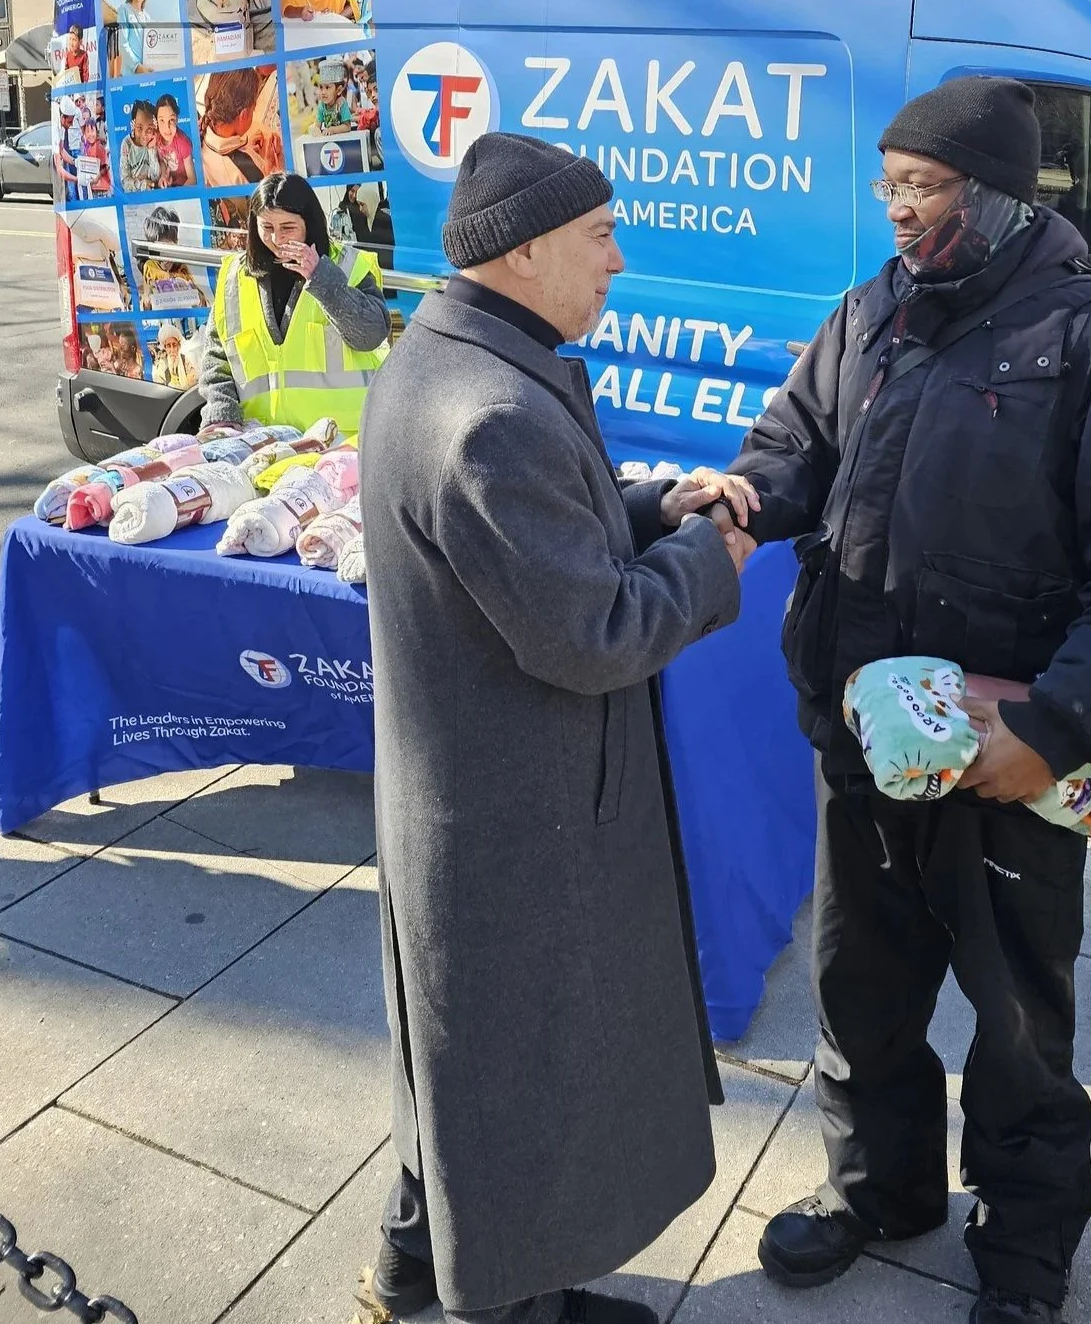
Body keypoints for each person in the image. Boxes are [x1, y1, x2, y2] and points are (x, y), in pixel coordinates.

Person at [687, 78, 1091, 1324]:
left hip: (1007, 770)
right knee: (859, 993)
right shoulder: (871, 311)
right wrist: (744, 498)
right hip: (865, 746)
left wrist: (1049, 734)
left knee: (1019, 1028)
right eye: (888, 190)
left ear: (987, 197)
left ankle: (1027, 1254)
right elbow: (794, 444)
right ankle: (883, 1192)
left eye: (917, 190)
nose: (896, 216)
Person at [359, 133, 756, 1324]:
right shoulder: (490, 411)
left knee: (456, 1068)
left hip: (469, 796)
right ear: (526, 251)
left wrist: (645, 507)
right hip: (515, 817)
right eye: (599, 237)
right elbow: (590, 635)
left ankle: (408, 1269)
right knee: (517, 1079)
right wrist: (708, 555)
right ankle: (512, 1307)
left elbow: (526, 547)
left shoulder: (449, 359)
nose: (619, 261)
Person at [199, 171, 390, 434]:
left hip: (338, 445)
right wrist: (222, 413)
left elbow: (371, 334)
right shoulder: (234, 277)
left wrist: (322, 278)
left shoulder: (347, 265)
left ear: (309, 224)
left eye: (288, 228)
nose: (277, 240)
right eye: (266, 228)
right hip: (265, 444)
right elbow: (217, 357)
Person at [153, 92, 197, 189]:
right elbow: (162, 160)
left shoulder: (183, 143)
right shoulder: (156, 138)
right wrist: (163, 176)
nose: (167, 127)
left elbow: (192, 179)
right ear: (156, 120)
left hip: (183, 186)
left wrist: (178, 195)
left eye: (171, 120)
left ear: (177, 119)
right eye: (162, 120)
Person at [119, 101, 162, 193]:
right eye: (139, 128)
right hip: (133, 199)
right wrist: (143, 184)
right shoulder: (127, 144)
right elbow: (124, 182)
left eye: (149, 129)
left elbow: (155, 177)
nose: (144, 135)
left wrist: (151, 149)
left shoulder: (151, 142)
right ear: (133, 126)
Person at [116, 0, 153, 76]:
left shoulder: (147, 18)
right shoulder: (124, 9)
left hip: (145, 77)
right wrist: (137, 67)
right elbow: (122, 44)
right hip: (129, 76)